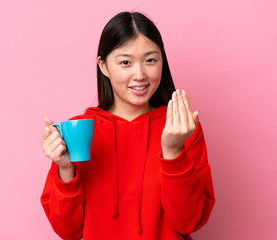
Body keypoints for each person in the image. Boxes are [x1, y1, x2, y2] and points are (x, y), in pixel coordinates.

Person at [41, 11, 215, 240]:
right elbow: (68, 231)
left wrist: (173, 152)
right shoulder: (78, 131)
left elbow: (189, 222)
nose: (140, 75)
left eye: (150, 60)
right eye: (125, 62)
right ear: (103, 66)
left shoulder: (181, 127)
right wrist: (65, 169)